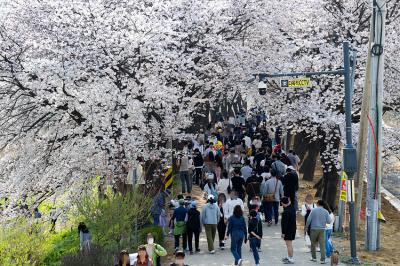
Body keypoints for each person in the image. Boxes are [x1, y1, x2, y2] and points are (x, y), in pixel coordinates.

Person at [306, 200, 332, 264]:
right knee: (322, 245)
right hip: (322, 230)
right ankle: (323, 260)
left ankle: (314, 258)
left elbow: (309, 220)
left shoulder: (313, 210)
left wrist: (306, 227)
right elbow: (329, 221)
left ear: (317, 204)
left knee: (313, 244)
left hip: (314, 229)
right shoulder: (326, 211)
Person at [281, 197, 296, 264]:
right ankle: (289, 256)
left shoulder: (286, 212)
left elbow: (285, 223)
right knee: (290, 244)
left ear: (283, 203)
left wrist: (283, 232)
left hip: (288, 230)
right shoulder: (292, 208)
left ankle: (291, 258)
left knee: (289, 245)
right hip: (293, 229)